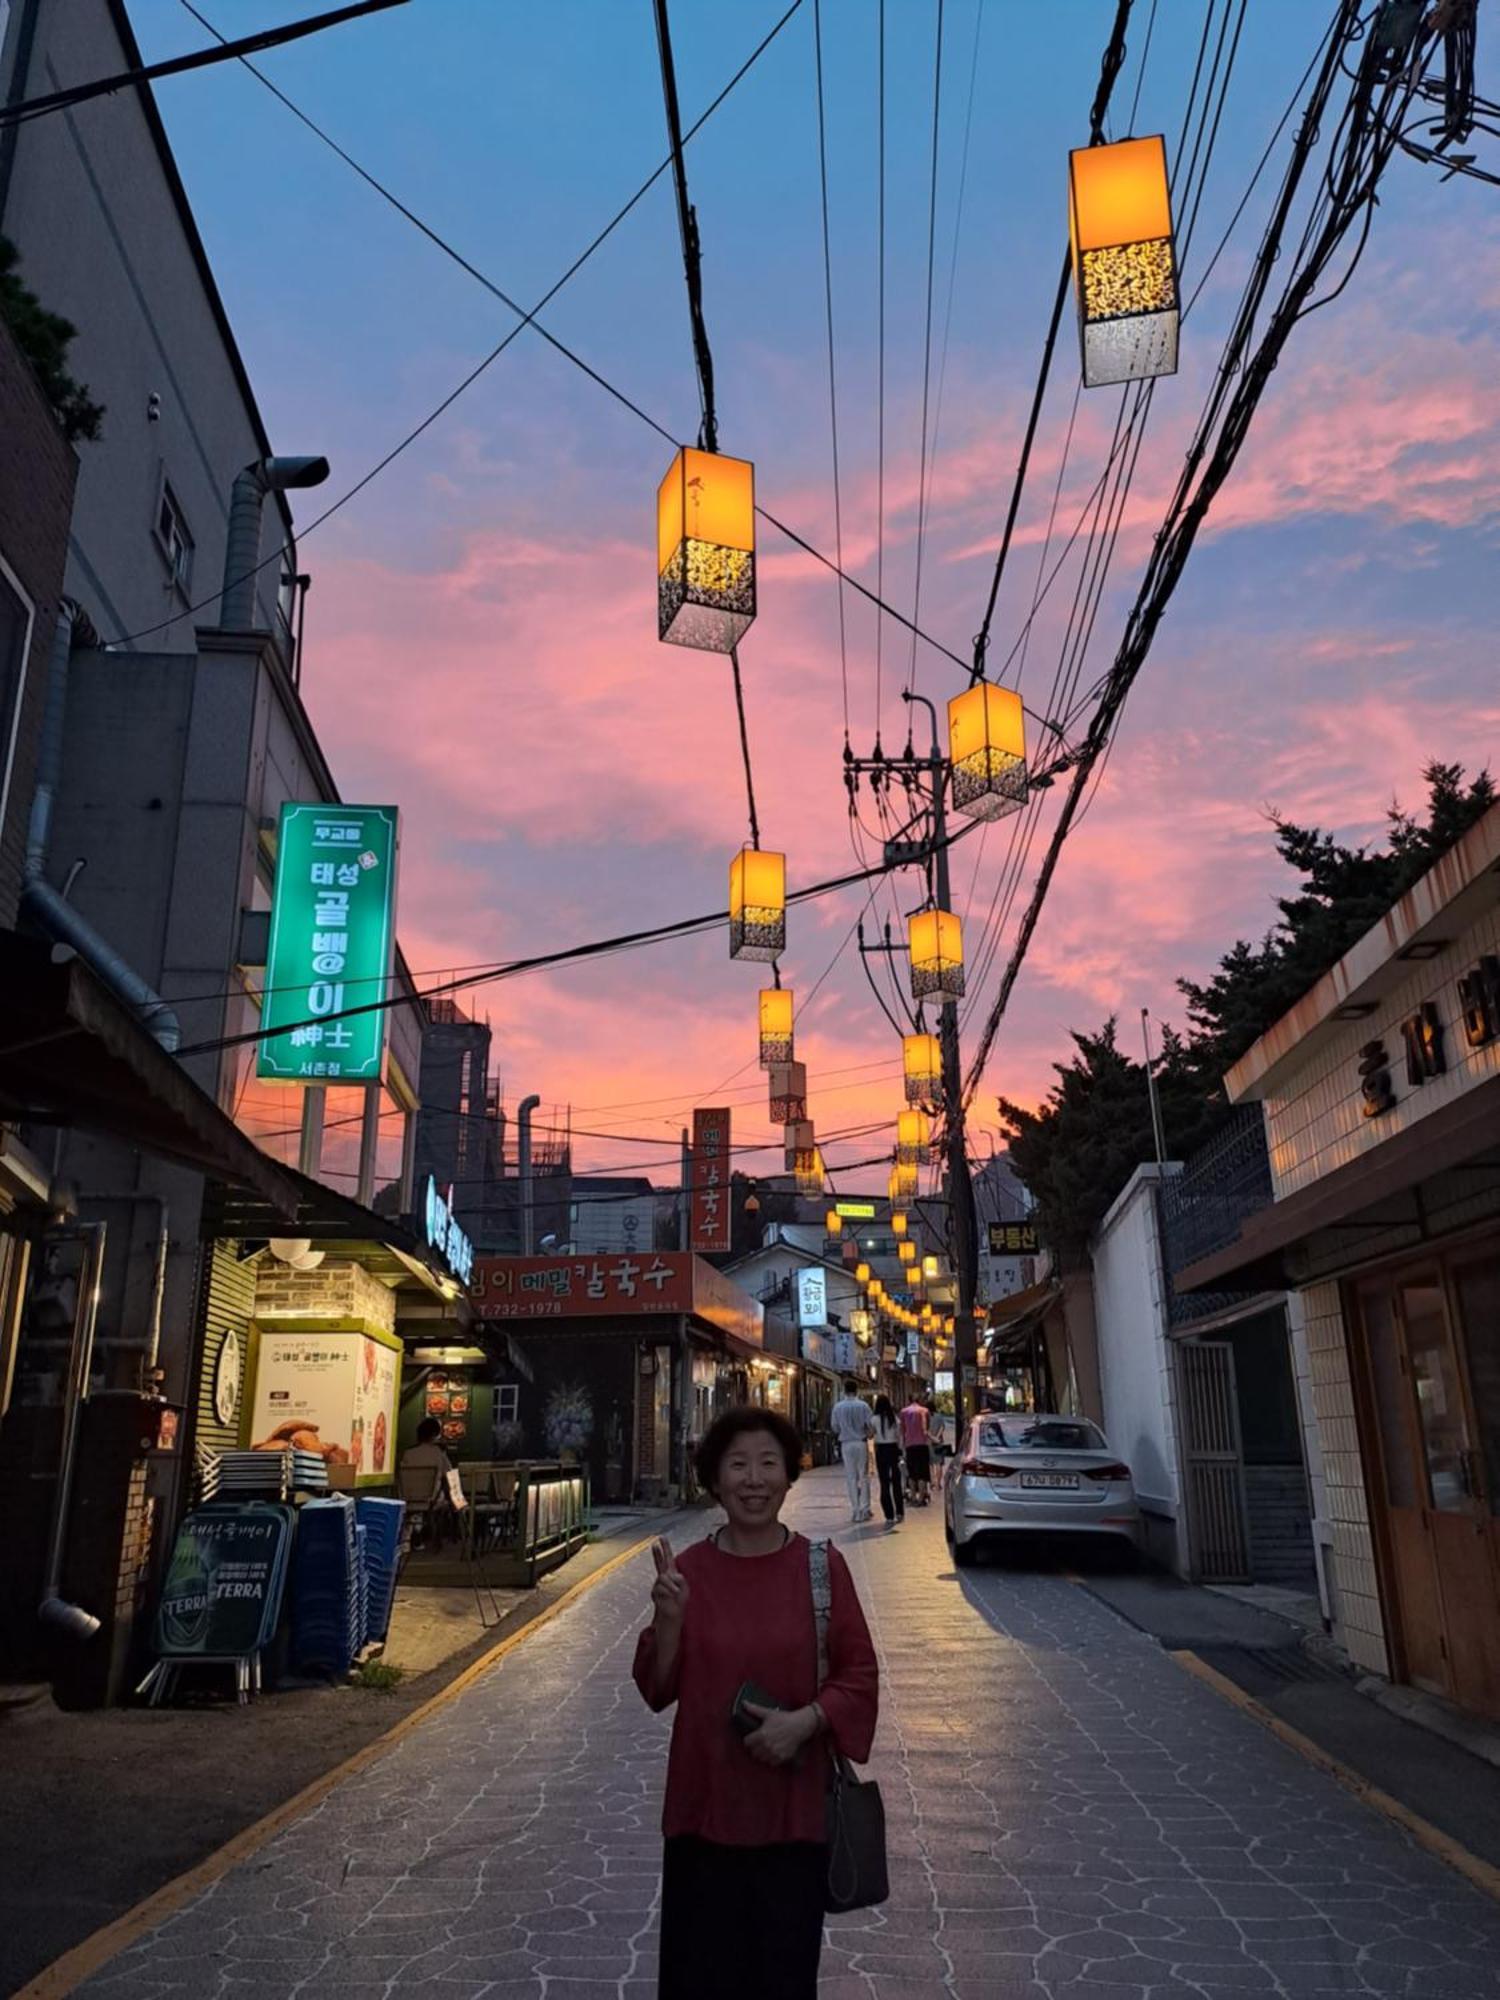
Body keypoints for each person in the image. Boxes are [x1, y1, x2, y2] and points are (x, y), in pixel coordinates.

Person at [633, 1407, 879, 2000]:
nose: (753, 1479)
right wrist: (669, 1622)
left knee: (783, 1980)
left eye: (768, 1463)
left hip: (792, 1819)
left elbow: (860, 1674)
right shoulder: (689, 1572)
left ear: (788, 1476)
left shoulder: (822, 1568)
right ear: (714, 1480)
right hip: (703, 1817)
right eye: (737, 1465)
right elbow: (657, 1689)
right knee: (700, 1980)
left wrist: (807, 1722)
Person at [828, 1378, 876, 1522]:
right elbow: (870, 1425)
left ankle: (855, 1510)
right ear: (856, 1390)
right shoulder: (863, 1406)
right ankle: (865, 1508)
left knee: (851, 1477)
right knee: (864, 1475)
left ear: (844, 1390)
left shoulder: (838, 1407)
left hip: (846, 1443)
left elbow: (835, 1427)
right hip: (861, 1443)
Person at [872, 1394, 905, 1530]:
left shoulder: (873, 1419)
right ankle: (900, 1512)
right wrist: (900, 1451)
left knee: (884, 1482)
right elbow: (899, 1437)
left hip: (881, 1450)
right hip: (893, 1449)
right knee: (896, 1481)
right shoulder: (894, 1419)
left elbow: (870, 1434)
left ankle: (889, 1514)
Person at [899, 1393, 932, 1505]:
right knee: (922, 1472)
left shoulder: (903, 1412)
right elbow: (927, 1428)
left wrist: (902, 1445)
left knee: (912, 1472)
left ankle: (913, 1496)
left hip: (909, 1446)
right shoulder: (925, 1411)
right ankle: (921, 1497)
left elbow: (902, 1430)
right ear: (920, 1400)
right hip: (922, 1445)